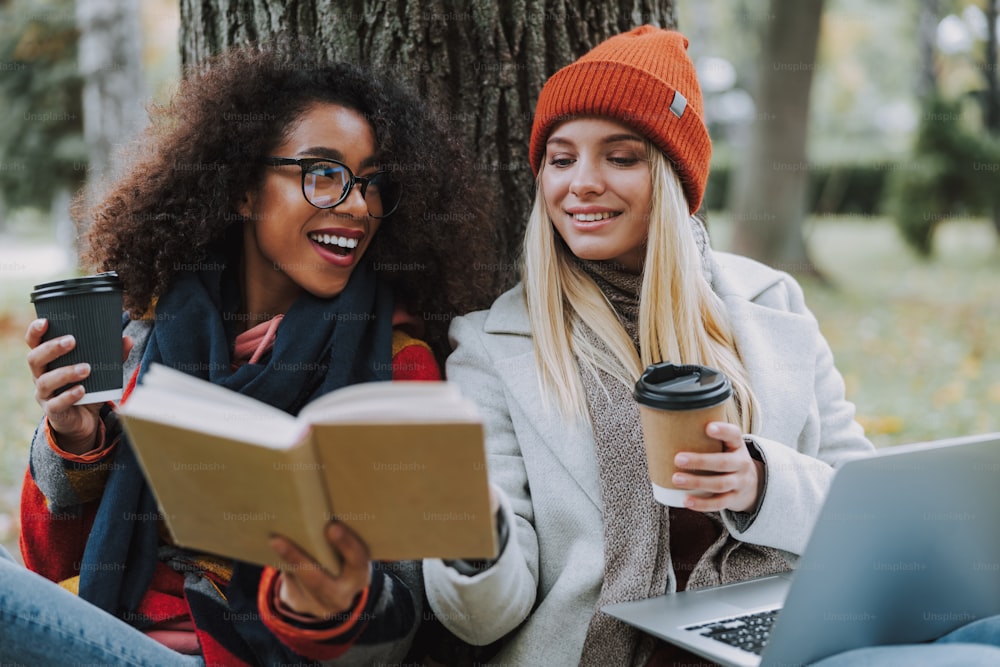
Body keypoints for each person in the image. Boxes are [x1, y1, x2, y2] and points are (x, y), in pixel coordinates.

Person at [421, 25, 1000, 666]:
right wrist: (475, 535)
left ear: (671, 178)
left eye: (620, 157)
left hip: (790, 635)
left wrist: (761, 483)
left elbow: (862, 508)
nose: (580, 183)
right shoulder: (493, 346)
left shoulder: (769, 304)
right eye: (561, 159)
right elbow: (479, 621)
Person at [2, 42, 499, 666]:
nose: (354, 205)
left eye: (371, 183)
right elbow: (51, 566)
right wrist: (72, 437)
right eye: (322, 174)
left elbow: (402, 624)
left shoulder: (397, 369)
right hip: (109, 626)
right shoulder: (151, 327)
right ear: (243, 190)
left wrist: (324, 598)